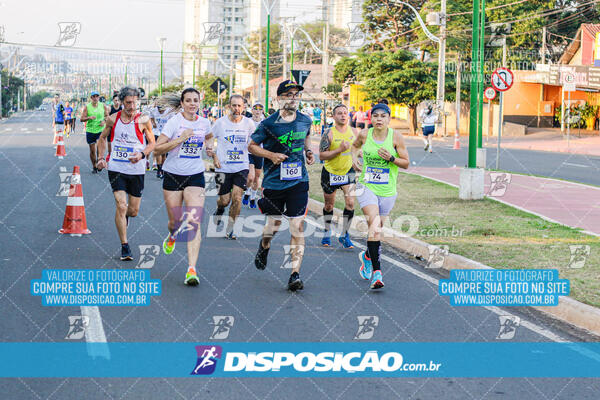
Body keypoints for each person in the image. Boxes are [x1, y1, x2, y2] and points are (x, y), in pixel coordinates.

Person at [248, 80, 315, 291]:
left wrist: (309, 151)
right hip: (274, 182)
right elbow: (251, 146)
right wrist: (271, 155)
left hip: (298, 181)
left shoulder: (305, 120)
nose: (293, 97)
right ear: (279, 98)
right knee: (273, 227)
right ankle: (264, 245)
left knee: (297, 227)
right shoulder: (268, 124)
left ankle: (295, 274)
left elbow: (306, 138)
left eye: (296, 94)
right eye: (288, 94)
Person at [154, 88, 211, 286]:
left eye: (196, 100)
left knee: (194, 221)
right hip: (173, 175)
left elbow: (209, 136)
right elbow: (157, 149)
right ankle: (172, 235)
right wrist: (180, 139)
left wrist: (211, 149)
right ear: (183, 103)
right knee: (175, 222)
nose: (193, 104)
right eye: (189, 100)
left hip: (195, 175)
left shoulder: (204, 122)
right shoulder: (174, 122)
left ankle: (191, 269)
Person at [351, 103, 409, 289]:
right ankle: (377, 273)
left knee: (377, 228)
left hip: (388, 190)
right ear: (370, 118)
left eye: (383, 116)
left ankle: (367, 256)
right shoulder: (364, 134)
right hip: (366, 185)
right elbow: (354, 147)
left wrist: (391, 159)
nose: (378, 119)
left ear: (388, 119)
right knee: (374, 226)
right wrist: (354, 160)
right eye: (375, 115)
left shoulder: (396, 137)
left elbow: (406, 163)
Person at [95, 86, 156, 261]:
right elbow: (102, 138)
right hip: (116, 168)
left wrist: (142, 154)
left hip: (136, 170)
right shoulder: (113, 119)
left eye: (135, 102)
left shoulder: (143, 120)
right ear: (122, 102)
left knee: (133, 210)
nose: (132, 106)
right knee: (121, 205)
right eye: (128, 102)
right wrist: (101, 157)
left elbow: (152, 143)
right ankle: (125, 246)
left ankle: (125, 219)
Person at [210, 94, 256, 239]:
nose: (236, 108)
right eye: (234, 105)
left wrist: (252, 168)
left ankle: (231, 228)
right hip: (222, 167)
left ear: (244, 107)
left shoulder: (249, 124)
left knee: (237, 198)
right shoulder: (220, 123)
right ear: (229, 106)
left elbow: (253, 147)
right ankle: (219, 208)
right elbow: (209, 140)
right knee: (225, 200)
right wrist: (214, 156)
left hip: (241, 166)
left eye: (239, 106)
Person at [318, 104, 356, 248]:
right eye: (339, 113)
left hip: (348, 171)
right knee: (329, 206)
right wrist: (339, 149)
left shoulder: (354, 132)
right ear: (333, 116)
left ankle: (345, 234)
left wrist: (356, 160)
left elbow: (356, 149)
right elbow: (322, 155)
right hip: (330, 173)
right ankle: (327, 231)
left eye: (345, 113)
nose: (343, 115)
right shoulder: (329, 133)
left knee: (351, 203)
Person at [243, 102, 265, 209]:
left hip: (259, 153)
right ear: (252, 111)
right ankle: (247, 192)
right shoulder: (247, 122)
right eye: (255, 109)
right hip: (249, 152)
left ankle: (252, 197)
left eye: (260, 109)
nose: (257, 111)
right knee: (250, 177)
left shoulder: (264, 123)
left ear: (262, 111)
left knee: (257, 177)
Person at [80, 91, 109, 173]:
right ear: (91, 98)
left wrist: (104, 120)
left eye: (97, 96)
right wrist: (89, 118)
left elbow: (107, 116)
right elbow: (81, 118)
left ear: (98, 98)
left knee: (99, 149)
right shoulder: (87, 107)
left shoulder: (103, 106)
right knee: (92, 151)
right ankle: (94, 166)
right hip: (90, 130)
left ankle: (99, 163)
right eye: (94, 96)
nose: (95, 98)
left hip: (100, 130)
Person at [150, 98, 177, 178]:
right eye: (159, 110)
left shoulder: (169, 111)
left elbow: (173, 121)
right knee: (158, 151)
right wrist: (153, 122)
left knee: (164, 153)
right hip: (156, 132)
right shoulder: (154, 110)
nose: (160, 111)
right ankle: (159, 170)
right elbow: (151, 117)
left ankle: (163, 169)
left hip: (165, 134)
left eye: (162, 110)